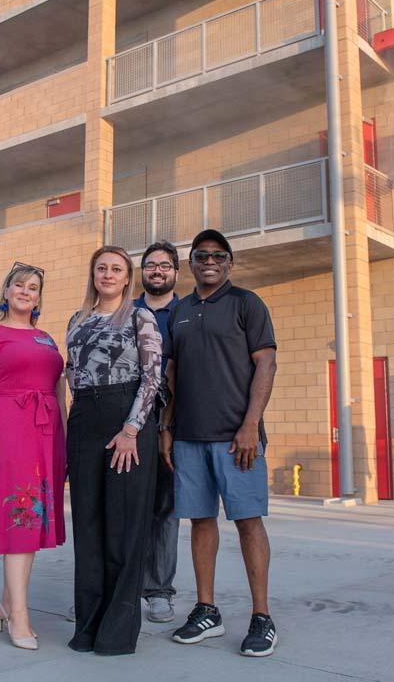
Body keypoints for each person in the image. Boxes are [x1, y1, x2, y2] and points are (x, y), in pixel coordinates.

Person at [160, 229, 279, 657]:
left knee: (247, 522)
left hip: (237, 439)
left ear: (229, 263)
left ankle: (261, 617)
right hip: (190, 437)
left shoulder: (247, 304)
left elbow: (266, 365)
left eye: (218, 255)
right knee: (200, 522)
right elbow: (172, 374)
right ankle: (206, 609)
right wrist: (167, 427)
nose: (209, 260)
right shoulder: (181, 311)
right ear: (191, 264)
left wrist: (250, 425)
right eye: (201, 255)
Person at [64, 246, 162, 655]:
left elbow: (153, 377)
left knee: (123, 529)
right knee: (87, 527)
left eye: (116, 269)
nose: (107, 274)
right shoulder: (77, 320)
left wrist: (131, 429)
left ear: (127, 278)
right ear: (93, 275)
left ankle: (117, 633)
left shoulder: (141, 316)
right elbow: (72, 376)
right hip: (85, 419)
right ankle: (87, 626)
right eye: (101, 268)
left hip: (127, 424)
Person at [0, 262, 66, 651]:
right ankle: (20, 616)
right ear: (6, 292)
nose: (26, 291)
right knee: (20, 521)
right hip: (8, 431)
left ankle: (8, 603)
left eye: (34, 287)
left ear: (39, 298)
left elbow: (59, 394)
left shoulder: (46, 339)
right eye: (20, 285)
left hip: (47, 434)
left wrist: (66, 440)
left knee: (35, 523)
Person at [136, 241, 181, 623]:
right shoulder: (123, 312)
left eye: (164, 266)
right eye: (150, 265)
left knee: (165, 509)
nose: (157, 271)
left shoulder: (186, 313)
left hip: (171, 422)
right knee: (124, 505)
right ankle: (120, 587)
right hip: (127, 421)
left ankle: (159, 590)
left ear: (175, 273)